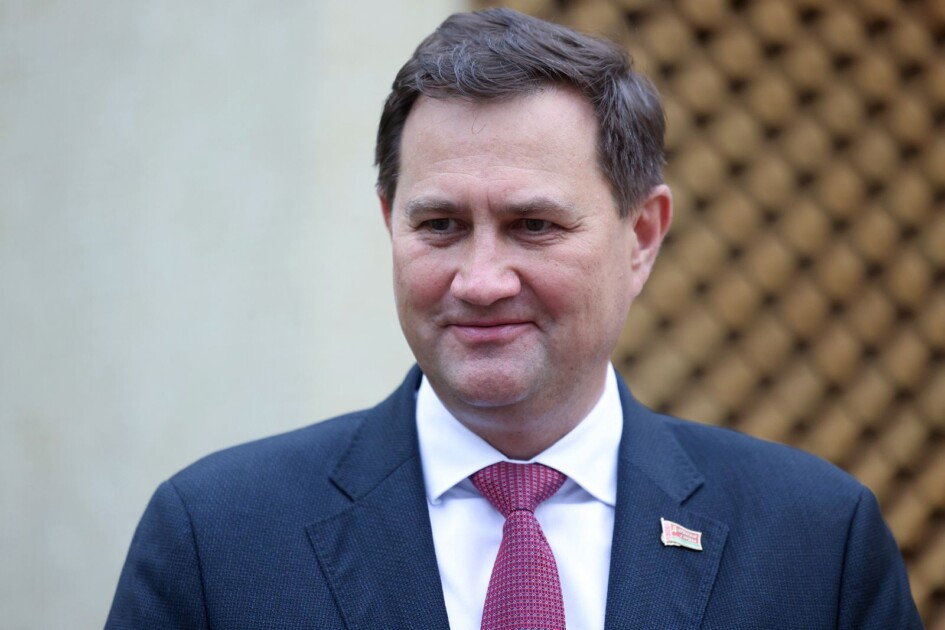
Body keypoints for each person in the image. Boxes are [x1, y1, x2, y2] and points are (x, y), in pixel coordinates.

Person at [106, 8, 922, 629]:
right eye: (440, 225)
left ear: (640, 236)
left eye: (533, 225)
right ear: (389, 222)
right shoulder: (219, 538)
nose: (481, 281)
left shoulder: (815, 542)